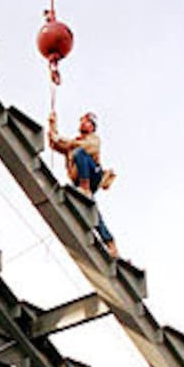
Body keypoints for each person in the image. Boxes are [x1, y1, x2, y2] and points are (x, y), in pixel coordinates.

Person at [48, 110, 119, 257]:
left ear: (92, 126)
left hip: (93, 176)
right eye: (82, 121)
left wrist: (60, 138)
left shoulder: (93, 140)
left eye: (86, 122)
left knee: (80, 153)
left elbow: (77, 146)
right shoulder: (74, 144)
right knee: (92, 212)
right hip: (79, 183)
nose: (83, 123)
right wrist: (52, 125)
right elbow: (55, 144)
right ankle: (110, 243)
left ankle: (85, 188)